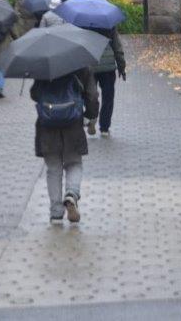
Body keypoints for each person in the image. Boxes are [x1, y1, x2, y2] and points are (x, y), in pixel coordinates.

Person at [31, 67, 98, 223]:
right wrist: (90, 115)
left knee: (53, 169)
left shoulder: (44, 65)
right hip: (73, 123)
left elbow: (35, 94)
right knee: (74, 163)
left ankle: (56, 212)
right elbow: (92, 95)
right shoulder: (82, 65)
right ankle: (71, 193)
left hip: (47, 124)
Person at [93, 27, 126, 138]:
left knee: (90, 95)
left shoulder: (82, 24)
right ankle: (104, 128)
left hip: (89, 64)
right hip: (108, 67)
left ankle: (91, 117)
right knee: (108, 98)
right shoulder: (109, 24)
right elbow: (117, 48)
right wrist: (121, 67)